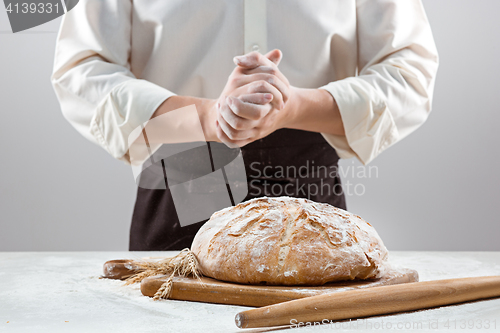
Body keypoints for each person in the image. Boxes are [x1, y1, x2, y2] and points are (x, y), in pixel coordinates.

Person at [51, 0, 438, 250]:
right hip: (186, 164)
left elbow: (409, 70)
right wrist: (208, 116)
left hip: (306, 175)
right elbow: (81, 69)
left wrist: (293, 106)